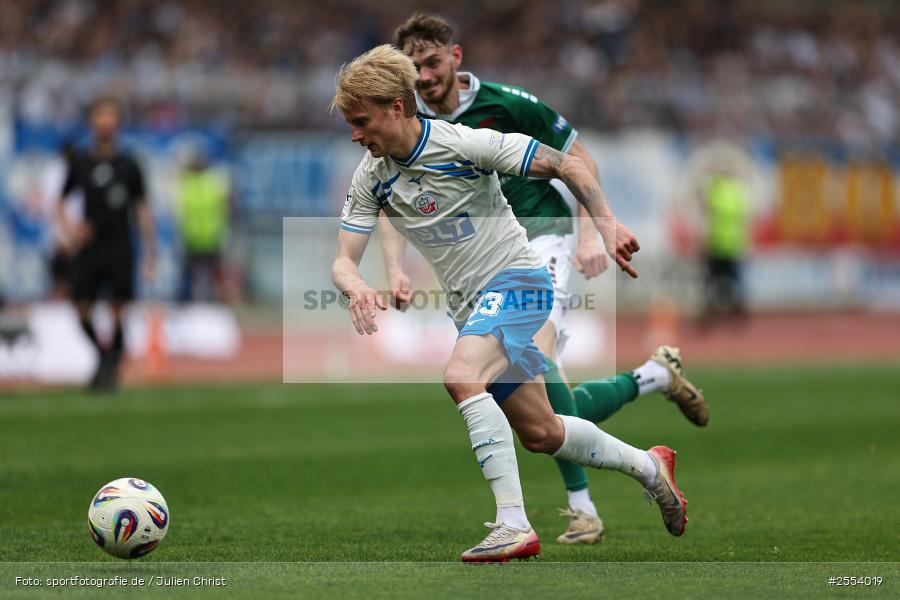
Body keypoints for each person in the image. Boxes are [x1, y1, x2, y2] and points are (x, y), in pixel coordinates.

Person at [330, 44, 688, 562]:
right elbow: (343, 260)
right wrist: (356, 285)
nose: (356, 135)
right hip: (472, 309)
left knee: (460, 376)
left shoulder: (465, 143)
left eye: (361, 122)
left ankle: (513, 526)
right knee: (543, 432)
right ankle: (650, 468)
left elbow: (570, 165)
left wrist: (604, 224)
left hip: (519, 282)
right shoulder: (371, 175)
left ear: (397, 108)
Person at [56, 97, 155, 391]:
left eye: (110, 115)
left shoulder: (129, 164)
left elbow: (142, 208)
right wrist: (71, 230)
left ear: (118, 123)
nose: (105, 121)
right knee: (81, 307)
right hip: (90, 246)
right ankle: (103, 357)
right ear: (92, 121)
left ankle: (110, 370)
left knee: (118, 309)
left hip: (120, 244)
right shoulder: (81, 162)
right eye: (100, 115)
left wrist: (150, 251)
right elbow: (60, 202)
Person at [175, 148, 230, 303]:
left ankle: (218, 304)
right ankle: (186, 304)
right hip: (191, 237)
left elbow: (224, 208)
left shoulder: (214, 181)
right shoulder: (187, 182)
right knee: (187, 277)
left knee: (215, 276)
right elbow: (181, 211)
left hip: (211, 237)